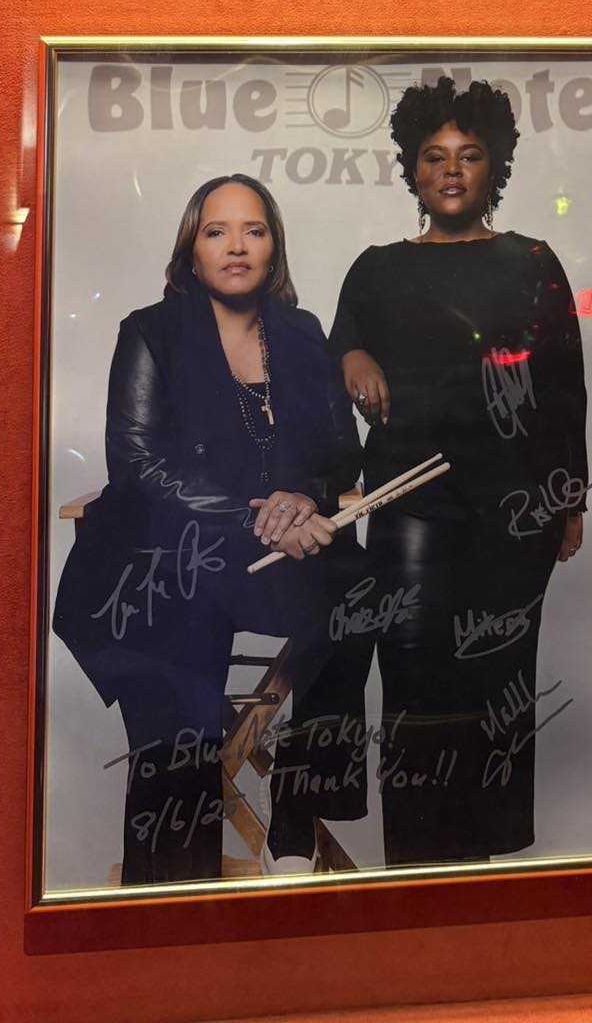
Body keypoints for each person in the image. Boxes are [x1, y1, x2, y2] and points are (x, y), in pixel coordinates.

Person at [53, 173, 371, 886]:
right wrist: (259, 516)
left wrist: (304, 496)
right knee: (179, 645)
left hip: (274, 556)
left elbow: (341, 453)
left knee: (359, 589)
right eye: (216, 231)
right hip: (177, 555)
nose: (236, 247)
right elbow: (137, 463)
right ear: (191, 252)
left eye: (253, 231)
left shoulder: (301, 332)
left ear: (273, 248)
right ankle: (172, 877)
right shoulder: (151, 331)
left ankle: (296, 810)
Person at [329, 75, 589, 868]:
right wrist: (353, 356)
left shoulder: (532, 261)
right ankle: (416, 862)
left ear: (493, 167)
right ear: (411, 169)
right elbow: (337, 346)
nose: (450, 170)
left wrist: (570, 499)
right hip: (409, 501)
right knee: (412, 675)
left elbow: (564, 384)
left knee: (498, 674)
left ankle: (482, 864)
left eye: (468, 155)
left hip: (514, 508)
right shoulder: (377, 268)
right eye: (434, 156)